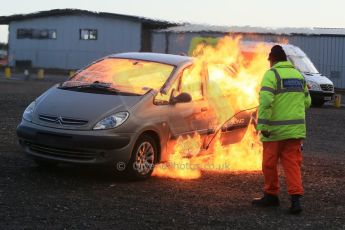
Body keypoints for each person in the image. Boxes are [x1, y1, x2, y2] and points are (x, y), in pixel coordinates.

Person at [252, 45, 311, 214]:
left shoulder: (272, 75)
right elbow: (307, 103)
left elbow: (266, 101)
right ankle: (296, 200)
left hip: (274, 132)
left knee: (269, 164)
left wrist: (262, 125)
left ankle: (271, 196)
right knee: (292, 165)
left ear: (272, 60)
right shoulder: (299, 76)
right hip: (295, 132)